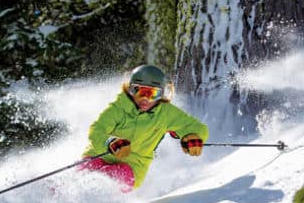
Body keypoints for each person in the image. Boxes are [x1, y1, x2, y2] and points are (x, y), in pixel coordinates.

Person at [80, 65, 209, 191]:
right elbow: (97, 129)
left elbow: (197, 127)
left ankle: (101, 200)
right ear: (130, 89)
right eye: (139, 91)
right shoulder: (119, 107)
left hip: (133, 165)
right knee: (86, 171)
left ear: (161, 94)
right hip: (100, 154)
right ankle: (67, 192)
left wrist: (193, 137)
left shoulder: (166, 113)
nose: (145, 99)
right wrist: (109, 142)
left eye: (152, 93)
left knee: (118, 176)